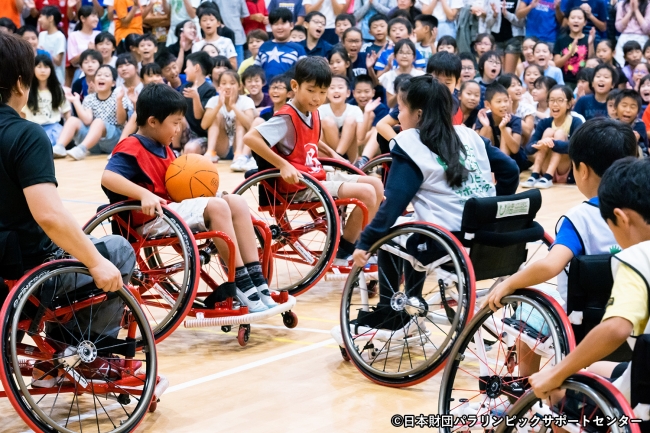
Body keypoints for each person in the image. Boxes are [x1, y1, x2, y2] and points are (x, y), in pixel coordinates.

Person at [102, 83, 276, 313]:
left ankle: (255, 276)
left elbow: (177, 189)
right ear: (153, 121)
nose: (178, 130)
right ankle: (240, 283)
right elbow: (108, 177)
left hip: (171, 210)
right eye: (174, 123)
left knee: (235, 201)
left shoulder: (164, 147)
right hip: (149, 219)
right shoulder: (131, 146)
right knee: (217, 208)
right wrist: (143, 194)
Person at [0, 32, 128, 322]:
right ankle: (83, 353)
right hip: (25, 274)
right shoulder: (26, 134)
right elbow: (49, 215)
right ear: (21, 83)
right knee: (118, 250)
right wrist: (96, 263)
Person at [528, 157, 650, 401]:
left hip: (643, 392)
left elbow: (615, 328)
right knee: (593, 368)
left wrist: (555, 373)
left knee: (558, 394)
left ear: (621, 218)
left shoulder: (638, 258)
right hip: (640, 366)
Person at [244, 56, 384, 266]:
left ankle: (352, 242)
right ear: (295, 86)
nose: (317, 97)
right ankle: (343, 250)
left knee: (376, 184)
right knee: (367, 193)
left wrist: (332, 153)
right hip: (299, 184)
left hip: (315, 174)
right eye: (311, 90)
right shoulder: (286, 117)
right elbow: (250, 138)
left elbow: (312, 140)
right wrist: (283, 164)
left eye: (322, 92)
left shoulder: (312, 112)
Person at [352, 75, 495, 275]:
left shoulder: (410, 142)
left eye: (400, 110)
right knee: (416, 223)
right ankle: (412, 298)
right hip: (490, 234)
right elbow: (511, 171)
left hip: (449, 241)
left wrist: (366, 240)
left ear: (418, 114)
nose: (399, 117)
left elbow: (394, 203)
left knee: (391, 230)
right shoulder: (468, 134)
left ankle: (389, 305)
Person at [58, 65, 133, 160]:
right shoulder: (89, 98)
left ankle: (81, 149)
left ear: (113, 83)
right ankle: (59, 147)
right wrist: (76, 102)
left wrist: (119, 101)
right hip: (94, 142)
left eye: (106, 75)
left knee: (98, 121)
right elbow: (87, 120)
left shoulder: (119, 97)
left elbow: (121, 121)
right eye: (99, 75)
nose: (102, 77)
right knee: (72, 120)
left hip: (113, 139)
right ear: (94, 80)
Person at [522, 85, 584, 188]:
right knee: (548, 131)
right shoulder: (544, 122)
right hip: (543, 168)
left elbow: (577, 146)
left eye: (560, 100)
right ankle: (535, 175)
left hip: (564, 169)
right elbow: (528, 149)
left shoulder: (576, 121)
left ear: (569, 104)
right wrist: (540, 143)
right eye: (552, 100)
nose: (555, 104)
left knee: (559, 133)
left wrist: (553, 143)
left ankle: (548, 176)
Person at [202, 70, 257, 168]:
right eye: (224, 83)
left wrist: (234, 106)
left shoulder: (246, 101)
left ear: (239, 86)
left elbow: (250, 126)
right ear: (219, 87)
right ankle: (210, 153)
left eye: (232, 83)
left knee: (240, 117)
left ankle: (239, 154)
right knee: (216, 115)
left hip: (240, 145)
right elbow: (204, 125)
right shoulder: (213, 101)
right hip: (222, 147)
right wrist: (218, 106)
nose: (228, 86)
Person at [23, 54, 72, 154]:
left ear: (51, 69)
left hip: (54, 129)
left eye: (46, 67)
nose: (42, 70)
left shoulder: (57, 89)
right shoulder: (27, 91)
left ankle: (56, 150)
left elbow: (67, 112)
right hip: (33, 129)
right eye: (39, 66)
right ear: (33, 69)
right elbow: (22, 114)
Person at [476, 83, 527, 171]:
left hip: (515, 162)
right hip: (491, 163)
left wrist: (503, 129)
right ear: (487, 104)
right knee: (487, 129)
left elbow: (515, 149)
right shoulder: (484, 118)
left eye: (506, 101)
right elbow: (475, 145)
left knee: (507, 129)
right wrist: (485, 126)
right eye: (499, 101)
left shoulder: (515, 120)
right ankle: (487, 169)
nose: (503, 105)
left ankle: (502, 170)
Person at [319, 75, 367, 161]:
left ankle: (339, 158)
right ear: (326, 93)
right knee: (327, 121)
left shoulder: (355, 110)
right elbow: (319, 138)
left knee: (350, 120)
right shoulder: (320, 110)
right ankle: (340, 159)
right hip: (328, 155)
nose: (336, 90)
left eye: (340, 87)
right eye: (332, 88)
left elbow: (360, 137)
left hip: (350, 156)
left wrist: (367, 112)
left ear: (348, 93)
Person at [255, 8, 307, 86]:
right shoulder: (264, 47)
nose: (279, 27)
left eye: (283, 23)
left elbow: (303, 73)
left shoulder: (299, 49)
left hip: (289, 92)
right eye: (275, 24)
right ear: (271, 26)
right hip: (265, 92)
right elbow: (256, 70)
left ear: (291, 25)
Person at [350, 74, 389, 167]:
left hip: (373, 147)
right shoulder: (350, 107)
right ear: (353, 93)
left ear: (373, 92)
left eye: (366, 91)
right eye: (359, 92)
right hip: (353, 147)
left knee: (377, 129)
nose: (363, 95)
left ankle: (363, 160)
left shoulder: (380, 108)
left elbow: (376, 135)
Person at [553, 8, 596, 89]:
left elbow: (592, 63)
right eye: (573, 18)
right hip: (564, 82)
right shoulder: (561, 40)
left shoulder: (589, 39)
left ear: (585, 22)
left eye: (579, 18)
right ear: (568, 21)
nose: (576, 21)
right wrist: (570, 53)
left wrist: (590, 44)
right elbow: (556, 65)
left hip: (584, 82)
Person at [181, 51, 217, 146]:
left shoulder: (209, 90)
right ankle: (176, 149)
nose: (185, 70)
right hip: (184, 131)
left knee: (191, 148)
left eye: (187, 67)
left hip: (201, 135)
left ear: (196, 67)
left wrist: (195, 97)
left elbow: (199, 116)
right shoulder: (184, 87)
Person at [380, 39, 425, 107]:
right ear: (395, 56)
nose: (404, 56)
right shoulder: (388, 76)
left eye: (408, 53)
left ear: (414, 57)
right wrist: (400, 91)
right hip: (395, 114)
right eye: (401, 52)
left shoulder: (421, 75)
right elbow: (390, 104)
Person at [614, 0, 650, 67]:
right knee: (621, 65)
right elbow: (619, 27)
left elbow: (647, 28)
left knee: (642, 66)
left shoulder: (648, 4)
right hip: (624, 37)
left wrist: (636, 10)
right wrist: (630, 11)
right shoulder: (621, 4)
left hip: (642, 38)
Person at [614, 89, 648, 156]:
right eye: (624, 105)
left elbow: (631, 140)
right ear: (615, 108)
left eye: (632, 107)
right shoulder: (611, 123)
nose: (628, 110)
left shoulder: (639, 124)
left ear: (638, 112)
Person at [37, 6, 67, 84]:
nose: (39, 20)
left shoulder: (60, 37)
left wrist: (46, 52)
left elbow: (58, 62)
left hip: (56, 76)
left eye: (41, 16)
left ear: (50, 18)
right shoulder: (41, 35)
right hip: (42, 75)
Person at [68, 6, 100, 71]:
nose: (96, 19)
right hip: (80, 70)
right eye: (93, 16)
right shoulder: (73, 36)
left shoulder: (99, 34)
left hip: (98, 71)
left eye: (97, 16)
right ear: (82, 18)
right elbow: (73, 61)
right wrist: (87, 50)